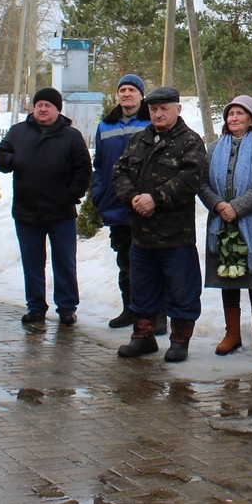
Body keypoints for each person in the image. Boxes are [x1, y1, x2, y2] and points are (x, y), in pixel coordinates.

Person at [112, 87, 208, 363]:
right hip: (141, 234)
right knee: (142, 289)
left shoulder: (190, 141)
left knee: (181, 291)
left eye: (164, 108)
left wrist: (156, 198)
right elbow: (119, 172)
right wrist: (133, 198)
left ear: (178, 109)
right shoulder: (138, 140)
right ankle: (143, 336)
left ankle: (179, 341)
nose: (158, 114)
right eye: (154, 109)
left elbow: (190, 179)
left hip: (175, 235)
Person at [0, 86, 90, 327]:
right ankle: (35, 307)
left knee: (64, 262)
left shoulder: (71, 136)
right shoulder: (18, 132)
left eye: (48, 105)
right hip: (27, 212)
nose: (43, 109)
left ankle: (67, 308)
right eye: (39, 105)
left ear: (58, 110)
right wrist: (15, 159)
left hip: (61, 213)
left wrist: (71, 195)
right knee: (32, 263)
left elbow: (83, 170)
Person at [197, 95, 252, 356]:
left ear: (251, 119)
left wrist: (237, 207)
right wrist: (219, 205)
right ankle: (232, 333)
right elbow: (202, 183)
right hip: (221, 221)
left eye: (240, 113)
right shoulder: (214, 148)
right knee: (227, 277)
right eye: (230, 114)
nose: (234, 118)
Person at [93, 74, 154, 330]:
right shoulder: (105, 126)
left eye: (132, 90)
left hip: (144, 205)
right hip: (115, 205)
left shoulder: (150, 122)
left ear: (141, 95)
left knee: (148, 263)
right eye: (122, 90)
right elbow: (99, 165)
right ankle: (129, 309)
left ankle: (153, 315)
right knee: (125, 261)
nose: (126, 94)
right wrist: (99, 193)